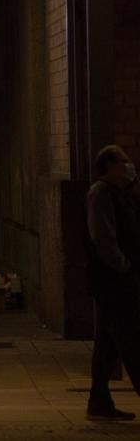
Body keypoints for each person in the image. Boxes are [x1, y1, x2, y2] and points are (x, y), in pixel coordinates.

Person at [86, 145, 140, 421]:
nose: (129, 165)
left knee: (107, 343)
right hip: (114, 281)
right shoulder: (101, 193)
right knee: (130, 339)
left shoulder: (121, 194)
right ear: (109, 165)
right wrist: (124, 265)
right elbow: (104, 238)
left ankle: (99, 400)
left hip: (118, 279)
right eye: (123, 161)